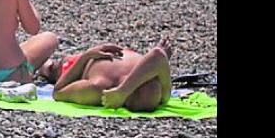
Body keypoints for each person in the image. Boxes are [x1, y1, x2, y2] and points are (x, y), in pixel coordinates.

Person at [36, 40, 173, 112]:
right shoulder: (163, 96)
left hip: (90, 60)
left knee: (51, 69)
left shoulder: (99, 88)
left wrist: (86, 56)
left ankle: (40, 64)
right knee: (50, 67)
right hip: (96, 57)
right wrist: (122, 92)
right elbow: (158, 55)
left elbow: (58, 92)